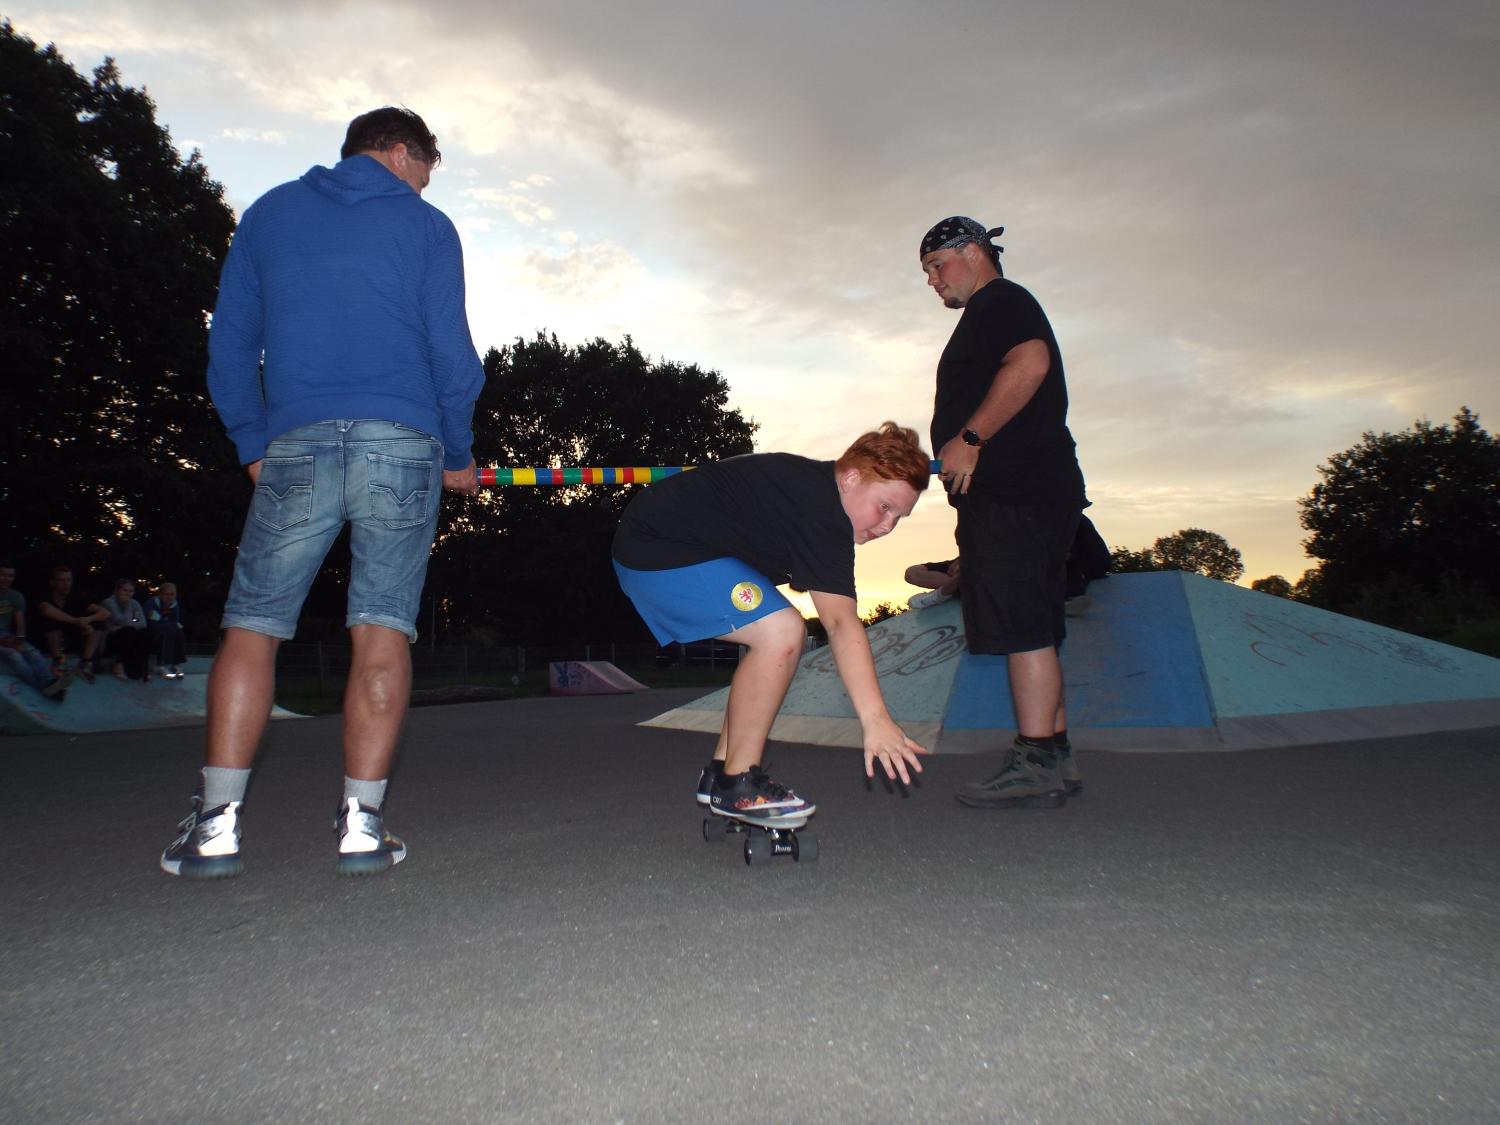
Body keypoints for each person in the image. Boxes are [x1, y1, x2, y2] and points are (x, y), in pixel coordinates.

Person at [160, 107, 486, 880]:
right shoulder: (427, 227)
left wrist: (251, 439)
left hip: (297, 440)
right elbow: (452, 355)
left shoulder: (269, 214)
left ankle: (215, 826)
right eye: (425, 170)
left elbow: (229, 343)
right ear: (401, 152)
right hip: (402, 442)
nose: (424, 186)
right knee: (382, 629)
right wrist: (457, 452)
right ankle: (362, 826)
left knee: (253, 625)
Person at [612, 422, 932, 824]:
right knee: (781, 631)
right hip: (658, 550)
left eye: (899, 517)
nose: (887, 526)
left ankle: (722, 773)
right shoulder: (821, 509)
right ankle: (739, 785)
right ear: (851, 479)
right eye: (885, 507)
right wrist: (876, 719)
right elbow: (840, 623)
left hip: (664, 546)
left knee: (772, 634)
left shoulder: (812, 493)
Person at [919, 216, 1088, 809]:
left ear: (972, 251)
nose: (933, 281)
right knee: (1034, 627)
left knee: (1020, 625)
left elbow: (1031, 364)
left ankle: (1035, 758)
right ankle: (1055, 755)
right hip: (1032, 492)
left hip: (1015, 495)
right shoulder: (995, 309)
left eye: (936, 265)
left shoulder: (1000, 301)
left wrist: (971, 437)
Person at [0, 561, 70, 698]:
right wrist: (7, 643)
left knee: (33, 653)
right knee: (15, 657)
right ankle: (46, 687)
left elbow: (20, 623)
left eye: (10, 576)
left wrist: (19, 641)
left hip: (7, 635)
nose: (6, 579)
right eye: (2, 575)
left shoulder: (16, 597)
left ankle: (50, 683)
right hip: (2, 640)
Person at [32, 565, 108, 683]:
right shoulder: (45, 595)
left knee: (99, 622)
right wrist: (78, 622)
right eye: (61, 580)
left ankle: (85, 663)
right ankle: (58, 662)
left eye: (68, 580)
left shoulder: (75, 597)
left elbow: (105, 613)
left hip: (69, 638)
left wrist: (88, 620)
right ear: (53, 582)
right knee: (51, 620)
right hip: (45, 640)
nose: (66, 584)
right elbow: (46, 610)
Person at [91, 578, 150, 681]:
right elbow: (121, 619)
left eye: (131, 591)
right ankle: (119, 666)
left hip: (129, 636)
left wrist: (123, 625)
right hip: (109, 639)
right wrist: (128, 607)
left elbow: (143, 623)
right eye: (125, 590)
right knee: (128, 631)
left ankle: (143, 670)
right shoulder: (109, 602)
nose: (128, 594)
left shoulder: (135, 603)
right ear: (117, 590)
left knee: (144, 633)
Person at [145, 581, 187, 678]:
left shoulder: (174, 605)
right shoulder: (151, 603)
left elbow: (175, 621)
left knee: (178, 630)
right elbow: (151, 622)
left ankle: (176, 664)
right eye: (166, 594)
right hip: (150, 634)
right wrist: (166, 622)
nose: (169, 597)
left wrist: (160, 618)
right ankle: (160, 665)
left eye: (172, 594)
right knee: (169, 629)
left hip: (167, 630)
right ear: (160, 594)